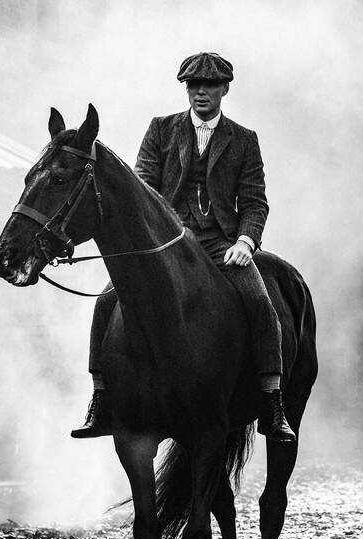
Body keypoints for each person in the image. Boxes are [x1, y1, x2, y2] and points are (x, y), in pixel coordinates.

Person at [71, 52, 296, 442]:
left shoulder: (244, 140)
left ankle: (272, 402)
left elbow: (255, 201)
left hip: (220, 246)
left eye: (209, 86)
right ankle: (101, 399)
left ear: (224, 89)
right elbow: (141, 189)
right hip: (167, 245)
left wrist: (245, 241)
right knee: (106, 301)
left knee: (261, 303)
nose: (200, 92)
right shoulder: (161, 130)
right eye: (193, 85)